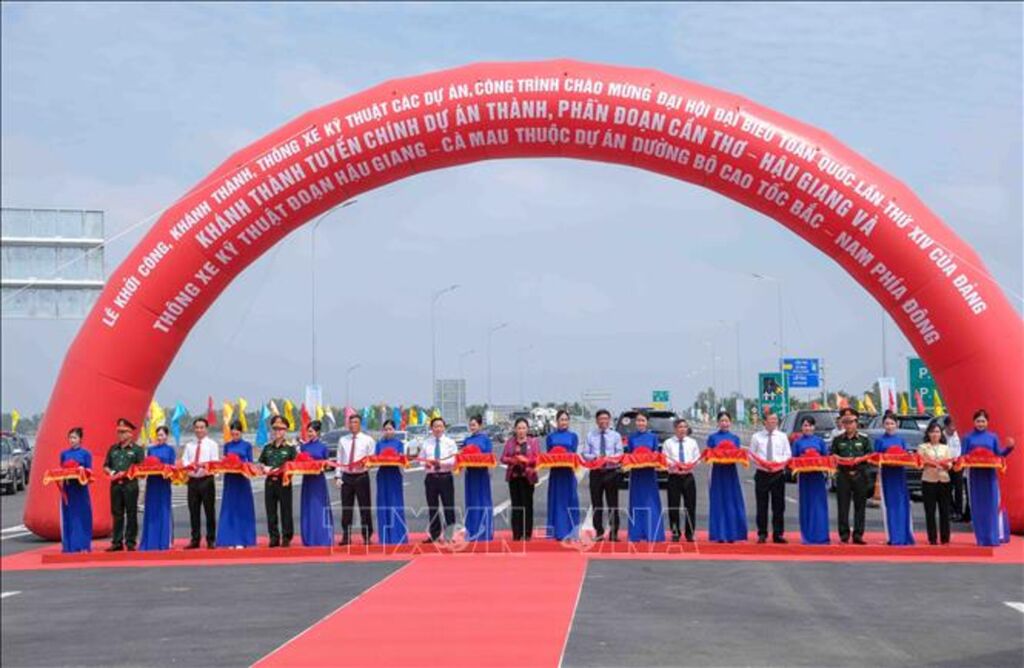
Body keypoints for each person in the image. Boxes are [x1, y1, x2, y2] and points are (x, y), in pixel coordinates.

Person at [961, 409, 1015, 546]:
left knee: (991, 506)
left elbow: (999, 455)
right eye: (978, 421)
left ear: (987, 422)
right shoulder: (967, 437)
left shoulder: (993, 437)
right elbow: (962, 456)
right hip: (975, 475)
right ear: (974, 422)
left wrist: (1009, 448)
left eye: (983, 421)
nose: (980, 423)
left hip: (990, 475)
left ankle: (992, 537)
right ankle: (981, 538)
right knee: (977, 507)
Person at [748, 411, 792, 544]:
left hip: (778, 474)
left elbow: (787, 454)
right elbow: (751, 455)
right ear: (764, 422)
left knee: (778, 506)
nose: (773, 422)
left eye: (775, 420)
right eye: (771, 420)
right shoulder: (756, 437)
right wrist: (763, 463)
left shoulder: (782, 437)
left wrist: (777, 463)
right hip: (762, 473)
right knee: (762, 505)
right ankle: (762, 533)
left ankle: (778, 534)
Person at [830, 407, 872, 544]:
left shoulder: (864, 439)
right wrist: (840, 458)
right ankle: (844, 534)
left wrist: (860, 459)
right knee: (843, 506)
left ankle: (858, 534)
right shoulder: (838, 439)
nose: (848, 425)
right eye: (846, 422)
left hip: (860, 473)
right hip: (843, 474)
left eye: (851, 422)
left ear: (856, 423)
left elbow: (870, 454)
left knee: (860, 505)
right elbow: (832, 454)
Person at [103, 417, 145, 552]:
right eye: (119, 432)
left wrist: (128, 472)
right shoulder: (113, 449)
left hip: (130, 485)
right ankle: (117, 542)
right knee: (117, 513)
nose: (120, 435)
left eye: (123, 432)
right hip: (116, 484)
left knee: (131, 513)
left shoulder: (137, 450)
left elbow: (141, 468)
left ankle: (130, 541)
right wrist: (112, 472)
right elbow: (106, 466)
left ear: (130, 433)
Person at [581, 409, 624, 541]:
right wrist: (596, 458)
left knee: (613, 504)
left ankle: (614, 533)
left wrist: (608, 458)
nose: (603, 421)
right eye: (601, 419)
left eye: (606, 418)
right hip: (596, 472)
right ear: (596, 421)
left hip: (611, 472)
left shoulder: (616, 436)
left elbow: (620, 453)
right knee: (596, 504)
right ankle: (599, 532)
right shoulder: (590, 435)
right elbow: (585, 453)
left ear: (609, 420)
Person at [873, 412, 915, 546]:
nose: (889, 426)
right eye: (887, 424)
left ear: (897, 425)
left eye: (892, 423)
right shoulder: (879, 441)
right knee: (890, 506)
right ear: (883, 425)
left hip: (900, 475)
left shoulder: (901, 440)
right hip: (887, 475)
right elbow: (876, 458)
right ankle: (893, 536)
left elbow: (906, 456)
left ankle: (905, 535)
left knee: (902, 504)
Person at [706, 411, 748, 543]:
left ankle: (733, 534)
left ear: (730, 422)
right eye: (722, 421)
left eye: (726, 421)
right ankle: (719, 533)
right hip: (717, 472)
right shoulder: (712, 438)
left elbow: (738, 454)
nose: (724, 423)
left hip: (731, 473)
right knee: (718, 501)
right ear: (718, 423)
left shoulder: (735, 438)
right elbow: (708, 455)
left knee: (732, 501)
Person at [624, 412, 665, 542]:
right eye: (638, 420)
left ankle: (653, 532)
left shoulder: (653, 437)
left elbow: (656, 453)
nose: (640, 423)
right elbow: (629, 455)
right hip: (636, 474)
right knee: (636, 501)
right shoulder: (631, 438)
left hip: (649, 474)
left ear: (647, 422)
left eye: (643, 420)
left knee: (651, 501)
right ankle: (636, 533)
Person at [335, 413, 374, 545]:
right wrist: (337, 476)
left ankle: (367, 536)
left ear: (360, 424)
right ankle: (346, 536)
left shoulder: (368, 440)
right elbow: (339, 459)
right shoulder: (343, 440)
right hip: (347, 477)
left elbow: (371, 459)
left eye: (356, 422)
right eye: (351, 423)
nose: (353, 425)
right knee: (346, 508)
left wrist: (366, 465)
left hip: (361, 476)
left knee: (365, 507)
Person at [217, 420, 257, 548]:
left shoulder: (247, 446)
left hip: (242, 480)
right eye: (232, 433)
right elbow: (224, 461)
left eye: (237, 434)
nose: (234, 436)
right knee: (230, 509)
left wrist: (242, 464)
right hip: (230, 480)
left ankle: (242, 539)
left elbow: (250, 462)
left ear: (241, 432)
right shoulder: (227, 446)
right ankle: (229, 539)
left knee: (242, 509)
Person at [259, 415, 297, 547]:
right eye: (275, 429)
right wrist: (263, 467)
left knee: (286, 510)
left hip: (284, 482)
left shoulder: (290, 448)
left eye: (280, 429)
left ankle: (286, 536)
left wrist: (285, 470)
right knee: (271, 511)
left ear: (285, 430)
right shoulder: (267, 447)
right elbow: (261, 462)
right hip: (270, 482)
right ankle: (274, 537)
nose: (277, 432)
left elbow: (295, 465)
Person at [182, 417, 220, 549]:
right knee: (193, 511)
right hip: (192, 481)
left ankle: (211, 539)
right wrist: (190, 465)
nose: (199, 430)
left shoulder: (212, 444)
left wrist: (203, 465)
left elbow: (214, 462)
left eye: (201, 427)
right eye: (197, 427)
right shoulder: (189, 445)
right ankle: (195, 539)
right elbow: (184, 461)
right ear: (194, 429)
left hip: (206, 480)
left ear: (206, 429)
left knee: (209, 511)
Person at [791, 416, 829, 545]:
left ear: (814, 427)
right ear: (802, 427)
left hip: (817, 478)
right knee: (806, 505)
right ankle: (807, 536)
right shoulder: (797, 443)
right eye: (805, 425)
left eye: (810, 425)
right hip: (804, 478)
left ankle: (821, 536)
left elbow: (826, 458)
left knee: (819, 506)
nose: (807, 428)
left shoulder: (820, 441)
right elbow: (793, 460)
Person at [422, 417, 459, 543]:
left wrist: (440, 463)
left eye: (440, 426)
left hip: (445, 477)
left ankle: (450, 535)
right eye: (435, 426)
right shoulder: (426, 443)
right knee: (432, 507)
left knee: (448, 506)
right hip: (431, 478)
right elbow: (421, 459)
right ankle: (434, 535)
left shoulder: (450, 443)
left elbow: (454, 460)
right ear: (431, 428)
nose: (438, 429)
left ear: (444, 428)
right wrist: (426, 464)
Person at [502, 418, 539, 541]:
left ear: (527, 429)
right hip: (514, 477)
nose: (521, 431)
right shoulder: (510, 442)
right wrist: (512, 460)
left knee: (527, 505)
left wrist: (526, 460)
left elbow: (537, 458)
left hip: (528, 477)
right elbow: (503, 458)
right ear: (515, 429)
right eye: (519, 428)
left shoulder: (533, 442)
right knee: (516, 505)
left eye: (523, 428)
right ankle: (516, 533)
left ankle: (527, 533)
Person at [545, 410, 580, 541]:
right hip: (556, 473)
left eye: (566, 419)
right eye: (561, 420)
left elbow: (573, 452)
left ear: (569, 421)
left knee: (571, 501)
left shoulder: (573, 436)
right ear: (557, 421)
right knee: (556, 501)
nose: (564, 422)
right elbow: (549, 454)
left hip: (568, 473)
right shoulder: (550, 437)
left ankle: (571, 531)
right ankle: (556, 531)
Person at [663, 418, 699, 542]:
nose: (682, 429)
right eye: (680, 427)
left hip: (688, 476)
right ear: (675, 429)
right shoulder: (668, 443)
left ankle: (690, 533)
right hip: (674, 477)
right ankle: (675, 532)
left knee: (690, 506)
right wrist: (675, 465)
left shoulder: (692, 442)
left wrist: (689, 465)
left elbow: (697, 458)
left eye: (685, 427)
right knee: (673, 506)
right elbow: (665, 459)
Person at [299, 419, 335, 547]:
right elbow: (300, 462)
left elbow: (328, 464)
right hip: (307, 480)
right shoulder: (303, 447)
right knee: (308, 507)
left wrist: (322, 466)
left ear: (318, 432)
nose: (309, 434)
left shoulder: (323, 447)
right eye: (308, 431)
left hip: (318, 481)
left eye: (312, 431)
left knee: (319, 507)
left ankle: (322, 537)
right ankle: (309, 538)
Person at [139, 425, 175, 551]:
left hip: (163, 484)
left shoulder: (170, 450)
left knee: (163, 509)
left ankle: (164, 541)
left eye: (162, 435)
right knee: (151, 510)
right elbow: (147, 465)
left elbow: (172, 467)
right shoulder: (151, 450)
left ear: (166, 436)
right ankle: (150, 541)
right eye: (158, 435)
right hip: (152, 483)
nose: (159, 438)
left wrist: (164, 469)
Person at [374, 420, 408, 545]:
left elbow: (402, 458)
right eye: (386, 429)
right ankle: (385, 537)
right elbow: (375, 458)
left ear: (394, 430)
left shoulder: (399, 444)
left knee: (395, 504)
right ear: (383, 431)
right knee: (383, 505)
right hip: (382, 475)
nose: (388, 431)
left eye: (390, 429)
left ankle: (397, 535)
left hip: (394, 475)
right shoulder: (379, 444)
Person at [59, 427, 93, 553]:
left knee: (82, 515)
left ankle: (83, 544)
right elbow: (62, 469)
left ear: (80, 439)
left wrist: (82, 470)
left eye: (74, 437)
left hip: (80, 489)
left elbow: (90, 471)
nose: (72, 440)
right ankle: (70, 545)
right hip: (68, 489)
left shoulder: (86, 454)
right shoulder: (64, 454)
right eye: (70, 438)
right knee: (69, 516)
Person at [920, 420, 952, 545]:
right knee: (930, 511)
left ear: (941, 434)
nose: (935, 434)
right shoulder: (923, 447)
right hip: (929, 480)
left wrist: (946, 465)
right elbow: (920, 463)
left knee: (945, 510)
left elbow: (950, 463)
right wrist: (932, 464)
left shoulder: (945, 447)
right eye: (932, 432)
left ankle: (945, 537)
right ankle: (932, 537)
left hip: (944, 480)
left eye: (937, 432)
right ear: (928, 433)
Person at [462, 415, 494, 542]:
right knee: (471, 502)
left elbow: (489, 456)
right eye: (470, 425)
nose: (472, 427)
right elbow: (462, 455)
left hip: (481, 475)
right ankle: (472, 531)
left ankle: (485, 532)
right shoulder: (467, 440)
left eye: (474, 425)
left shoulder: (485, 439)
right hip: (470, 475)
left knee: (483, 501)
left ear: (480, 425)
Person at [944, 416, 968, 522]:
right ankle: (951, 510)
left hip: (958, 463)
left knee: (958, 488)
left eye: (954, 426)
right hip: (946, 464)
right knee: (947, 488)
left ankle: (959, 511)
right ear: (946, 426)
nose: (953, 428)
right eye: (951, 426)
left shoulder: (959, 435)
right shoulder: (942, 436)